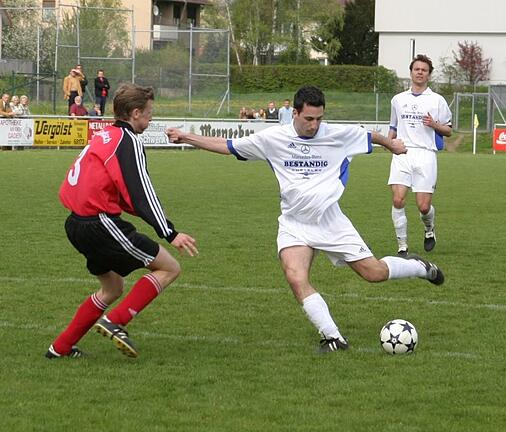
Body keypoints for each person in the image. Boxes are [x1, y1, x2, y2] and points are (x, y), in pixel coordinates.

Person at [166, 86, 445, 353]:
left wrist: (391, 144)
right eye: (309, 119)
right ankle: (333, 337)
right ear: (295, 114)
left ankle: (419, 267)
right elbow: (227, 145)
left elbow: (370, 135)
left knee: (374, 274)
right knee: (296, 277)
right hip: (294, 223)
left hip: (330, 221)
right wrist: (187, 137)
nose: (314, 125)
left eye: (319, 119)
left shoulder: (336, 134)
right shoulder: (272, 139)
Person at [46, 83, 198, 359]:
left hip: (76, 223)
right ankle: (115, 322)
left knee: (112, 288)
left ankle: (60, 348)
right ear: (136, 113)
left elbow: (118, 190)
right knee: (169, 268)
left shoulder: (105, 134)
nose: (151, 118)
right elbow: (142, 191)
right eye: (149, 113)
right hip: (100, 222)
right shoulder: (128, 142)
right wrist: (170, 232)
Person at [388, 54, 452, 257]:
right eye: (417, 69)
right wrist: (390, 143)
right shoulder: (398, 99)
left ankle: (429, 229)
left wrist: (434, 125)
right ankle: (402, 246)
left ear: (429, 75)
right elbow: (393, 127)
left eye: (424, 70)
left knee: (423, 206)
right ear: (411, 72)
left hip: (426, 155)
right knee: (398, 200)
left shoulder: (437, 101)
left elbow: (449, 130)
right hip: (403, 153)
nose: (420, 72)